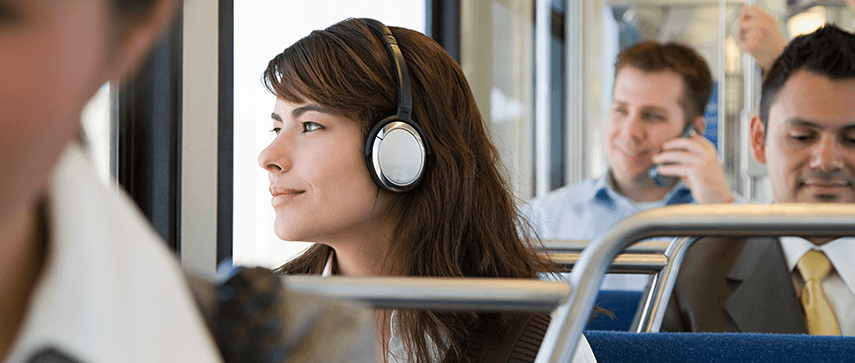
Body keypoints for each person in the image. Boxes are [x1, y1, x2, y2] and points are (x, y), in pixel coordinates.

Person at [0, 1, 374, 362]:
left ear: (125, 36)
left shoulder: (295, 340)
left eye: (4, 15)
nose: (267, 158)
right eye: (276, 126)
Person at [258, 18, 597, 363]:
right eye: (277, 128)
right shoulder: (253, 321)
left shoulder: (543, 343)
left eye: (310, 125)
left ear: (400, 148)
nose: (268, 157)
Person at [662, 24, 855, 335]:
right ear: (758, 138)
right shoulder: (695, 277)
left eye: (853, 140)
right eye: (802, 136)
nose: (827, 161)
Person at [520, 41, 735, 290]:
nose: (630, 131)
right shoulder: (541, 220)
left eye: (652, 116)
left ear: (693, 131)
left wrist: (721, 210)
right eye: (621, 110)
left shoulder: (730, 216)